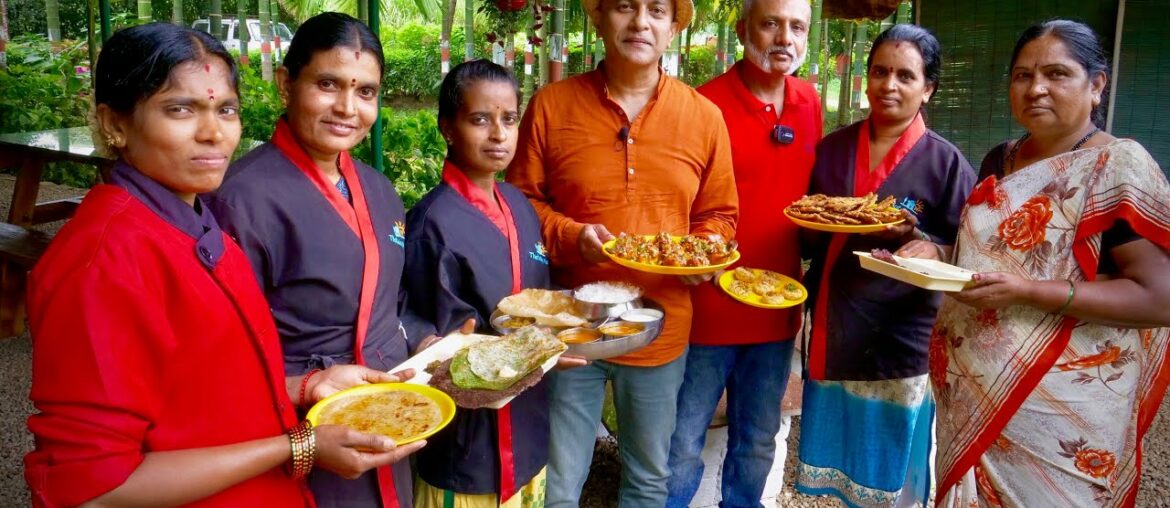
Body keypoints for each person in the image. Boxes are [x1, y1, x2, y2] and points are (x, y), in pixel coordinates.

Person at [23, 23, 422, 508]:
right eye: (180, 109)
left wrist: (307, 385)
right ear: (115, 124)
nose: (213, 133)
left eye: (225, 110)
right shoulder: (102, 263)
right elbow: (91, 488)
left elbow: (203, 389)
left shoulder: (193, 225)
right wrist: (299, 445)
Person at [902, 20, 1170, 507]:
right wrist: (933, 252)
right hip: (973, 394)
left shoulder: (1118, 167)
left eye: (1056, 74)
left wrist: (1029, 293)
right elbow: (988, 258)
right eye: (1022, 75)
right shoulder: (999, 160)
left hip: (1061, 412)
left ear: (1097, 85)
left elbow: (1159, 298)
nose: (1036, 88)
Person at [506, 0, 739, 503]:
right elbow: (520, 204)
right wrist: (571, 235)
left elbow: (720, 215)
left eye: (657, 10)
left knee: (648, 478)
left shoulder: (703, 117)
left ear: (673, 28)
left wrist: (704, 252)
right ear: (598, 18)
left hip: (660, 323)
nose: (640, 22)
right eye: (625, 7)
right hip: (569, 326)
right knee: (557, 480)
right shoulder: (552, 105)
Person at [207, 12, 443, 507]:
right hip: (298, 426)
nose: (347, 108)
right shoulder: (239, 200)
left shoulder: (379, 190)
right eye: (328, 84)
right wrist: (303, 386)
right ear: (286, 84)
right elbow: (217, 352)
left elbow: (392, 298)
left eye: (365, 91)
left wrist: (427, 340)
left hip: (388, 413)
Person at [795, 24, 976, 507]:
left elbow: (970, 248)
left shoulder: (946, 164)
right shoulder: (833, 149)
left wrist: (930, 246)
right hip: (837, 320)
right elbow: (808, 229)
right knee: (840, 458)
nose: (888, 85)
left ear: (927, 88)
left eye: (905, 76)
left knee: (893, 467)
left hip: (901, 333)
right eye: (879, 72)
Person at [402, 59, 587, 508]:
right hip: (467, 449)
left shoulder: (519, 205)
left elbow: (539, 305)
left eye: (509, 119)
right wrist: (527, 356)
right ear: (448, 127)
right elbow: (437, 343)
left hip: (528, 433)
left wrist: (552, 343)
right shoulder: (432, 223)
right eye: (480, 120)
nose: (499, 134)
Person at [664, 0, 820, 505]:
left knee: (756, 442)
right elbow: (673, 202)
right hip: (707, 311)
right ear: (742, 29)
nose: (784, 37)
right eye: (771, 23)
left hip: (777, 308)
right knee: (681, 444)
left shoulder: (809, 102)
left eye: (797, 27)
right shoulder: (703, 105)